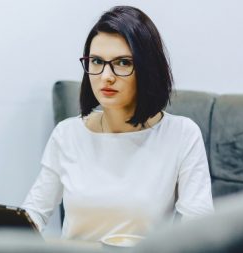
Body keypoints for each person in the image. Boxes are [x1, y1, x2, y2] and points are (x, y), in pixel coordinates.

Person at [22, 6, 214, 241]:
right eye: (96, 61)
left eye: (123, 62)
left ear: (147, 68)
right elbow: (32, 215)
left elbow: (200, 231)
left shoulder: (182, 135)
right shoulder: (67, 134)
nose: (106, 76)